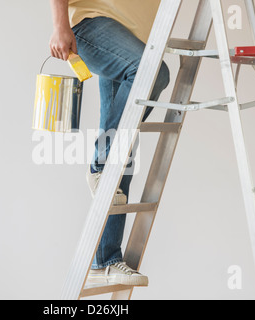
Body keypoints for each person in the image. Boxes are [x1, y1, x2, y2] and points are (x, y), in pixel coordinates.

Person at [49, 0, 170, 286]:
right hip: (93, 23)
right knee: (154, 72)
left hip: (131, 36)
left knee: (123, 145)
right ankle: (100, 166)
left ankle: (106, 258)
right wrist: (59, 26)